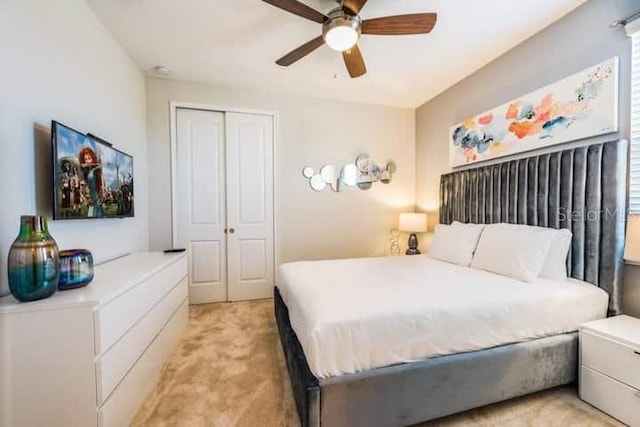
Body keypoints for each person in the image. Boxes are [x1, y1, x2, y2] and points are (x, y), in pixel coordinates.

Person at [78, 146, 104, 217]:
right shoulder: (86, 172)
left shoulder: (95, 170)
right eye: (85, 159)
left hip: (96, 198)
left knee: (95, 213)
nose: (88, 161)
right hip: (90, 198)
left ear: (93, 158)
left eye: (89, 158)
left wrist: (98, 165)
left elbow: (99, 169)